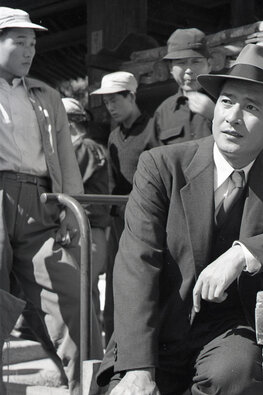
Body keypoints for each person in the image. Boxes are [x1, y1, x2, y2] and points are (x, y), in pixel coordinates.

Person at [96, 43, 263, 395]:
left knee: (235, 376)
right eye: (226, 101)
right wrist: (138, 368)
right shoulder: (161, 166)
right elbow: (136, 264)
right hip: (155, 326)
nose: (232, 117)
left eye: (250, 107)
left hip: (227, 327)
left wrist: (243, 253)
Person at [0, 7, 103, 394]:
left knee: (69, 291)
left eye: (33, 44)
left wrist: (71, 208)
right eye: (19, 42)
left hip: (43, 198)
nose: (29, 51)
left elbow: (64, 154)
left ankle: (87, 386)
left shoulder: (46, 95)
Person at [90, 71, 152, 341]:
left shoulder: (153, 128)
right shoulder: (114, 136)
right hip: (119, 220)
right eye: (106, 102)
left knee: (143, 282)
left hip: (148, 218)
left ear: (132, 96)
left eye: (115, 99)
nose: (110, 107)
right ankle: (111, 347)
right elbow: (112, 183)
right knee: (115, 285)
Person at [62, 97, 111, 331]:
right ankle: (88, 359)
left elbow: (68, 182)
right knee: (84, 293)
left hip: (86, 230)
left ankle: (87, 359)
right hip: (86, 230)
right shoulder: (88, 146)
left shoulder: (84, 147)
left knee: (80, 293)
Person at [144, 28, 214, 146]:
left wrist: (215, 115)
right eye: (181, 63)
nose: (188, 70)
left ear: (210, 64)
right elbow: (155, 158)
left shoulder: (228, 102)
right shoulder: (163, 112)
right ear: (171, 68)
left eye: (196, 61)